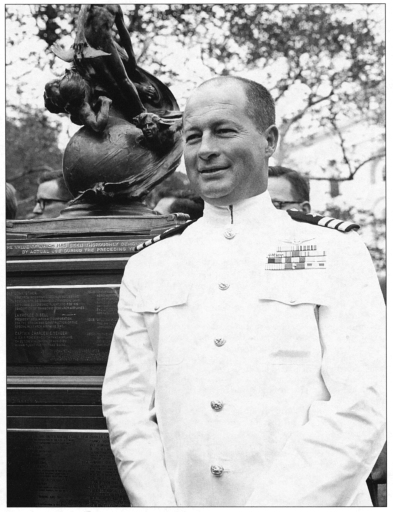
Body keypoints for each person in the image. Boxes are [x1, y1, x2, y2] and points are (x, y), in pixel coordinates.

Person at [102, 76, 385, 506]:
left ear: (269, 140)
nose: (206, 149)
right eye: (193, 136)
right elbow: (127, 407)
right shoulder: (150, 264)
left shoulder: (335, 251)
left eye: (225, 130)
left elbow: (360, 405)